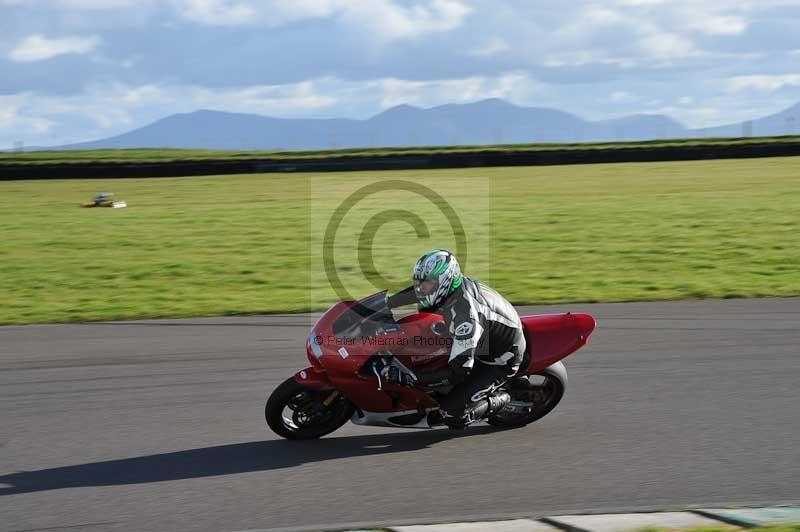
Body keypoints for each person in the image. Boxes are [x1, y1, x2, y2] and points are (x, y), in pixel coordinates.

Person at [385, 249, 526, 429]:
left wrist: (413, 378)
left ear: (443, 282)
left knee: (452, 414)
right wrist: (384, 305)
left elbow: (459, 371)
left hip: (498, 359)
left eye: (426, 284)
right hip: (485, 338)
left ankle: (505, 400)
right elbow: (415, 293)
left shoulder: (465, 317)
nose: (420, 288)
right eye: (418, 282)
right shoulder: (448, 290)